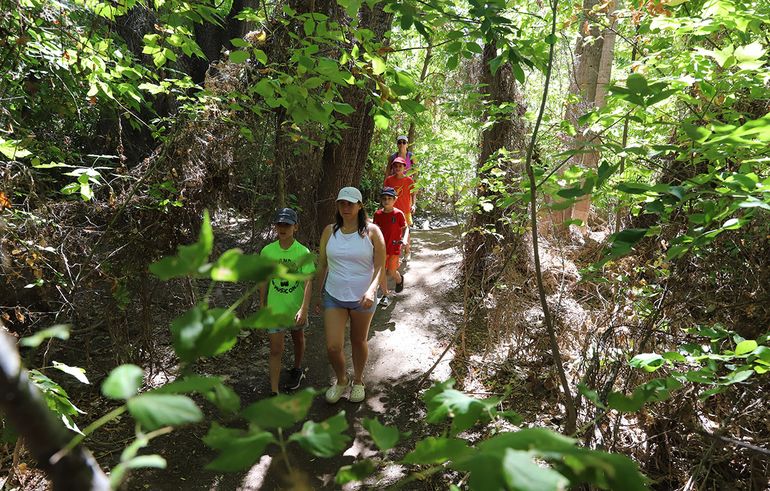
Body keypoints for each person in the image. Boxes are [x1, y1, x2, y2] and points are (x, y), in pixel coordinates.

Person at [315, 186, 386, 403]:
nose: (346, 207)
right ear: (337, 205)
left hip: (362, 298)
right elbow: (323, 264)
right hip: (334, 295)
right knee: (333, 346)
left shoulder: (372, 232)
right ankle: (342, 379)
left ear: (360, 205)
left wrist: (372, 290)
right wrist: (318, 294)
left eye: (350, 203)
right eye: (342, 203)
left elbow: (380, 265)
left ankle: (359, 381)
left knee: (358, 341)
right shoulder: (329, 231)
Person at [259, 208, 315, 396]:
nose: (283, 228)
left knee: (298, 337)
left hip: (296, 307)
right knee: (276, 349)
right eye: (280, 224)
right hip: (275, 309)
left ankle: (297, 368)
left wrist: (304, 308)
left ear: (295, 227)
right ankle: (274, 391)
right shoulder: (268, 251)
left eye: (287, 224)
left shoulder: (302, 252)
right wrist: (262, 303)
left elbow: (308, 281)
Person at [373, 187, 408, 307]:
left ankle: (399, 279)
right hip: (381, 249)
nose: (387, 201)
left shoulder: (398, 214)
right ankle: (385, 294)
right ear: (381, 200)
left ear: (394, 200)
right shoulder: (377, 214)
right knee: (382, 271)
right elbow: (374, 230)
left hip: (394, 248)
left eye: (389, 198)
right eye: (384, 199)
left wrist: (404, 239)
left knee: (391, 271)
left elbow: (405, 228)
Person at [384, 157, 417, 228]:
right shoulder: (389, 180)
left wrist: (413, 205)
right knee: (392, 230)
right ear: (393, 167)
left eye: (400, 166)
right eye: (395, 166)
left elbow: (413, 194)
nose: (397, 168)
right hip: (391, 211)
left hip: (405, 211)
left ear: (404, 168)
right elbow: (384, 195)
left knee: (405, 232)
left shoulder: (409, 181)